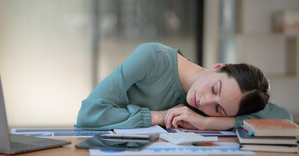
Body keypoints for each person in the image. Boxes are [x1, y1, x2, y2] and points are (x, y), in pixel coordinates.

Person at [76, 42, 291, 130]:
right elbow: (89, 114)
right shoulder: (152, 58)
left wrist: (206, 122)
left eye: (219, 109)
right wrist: (160, 116)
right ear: (218, 66)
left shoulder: (206, 112)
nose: (205, 101)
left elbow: (283, 119)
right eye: (215, 89)